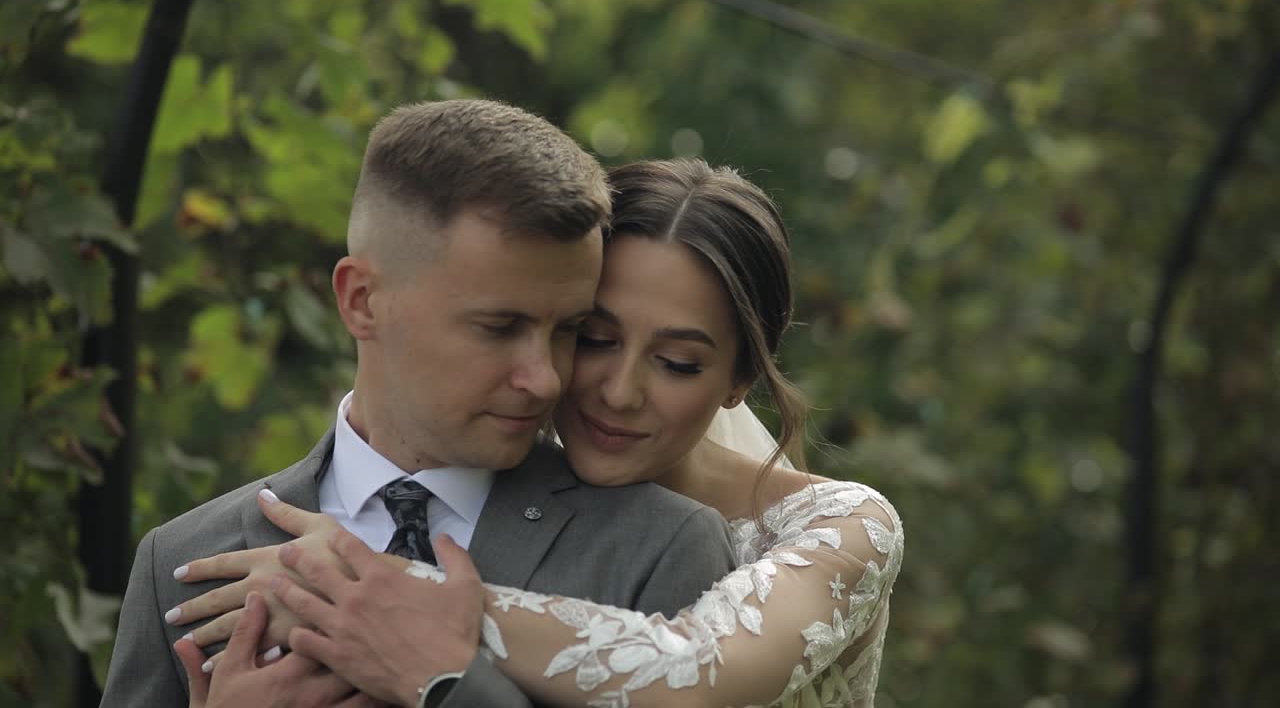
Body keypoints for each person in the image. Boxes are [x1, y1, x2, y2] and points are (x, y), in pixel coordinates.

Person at [172, 159, 904, 707]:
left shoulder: (843, 526)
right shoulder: (474, 485)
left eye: (678, 362)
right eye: (591, 338)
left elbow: (694, 670)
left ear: (741, 380)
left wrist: (354, 580)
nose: (619, 393)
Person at [99, 103, 738, 708]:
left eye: (571, 330)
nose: (545, 379)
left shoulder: (659, 547)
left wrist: (447, 683)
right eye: (499, 326)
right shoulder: (180, 560)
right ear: (361, 301)